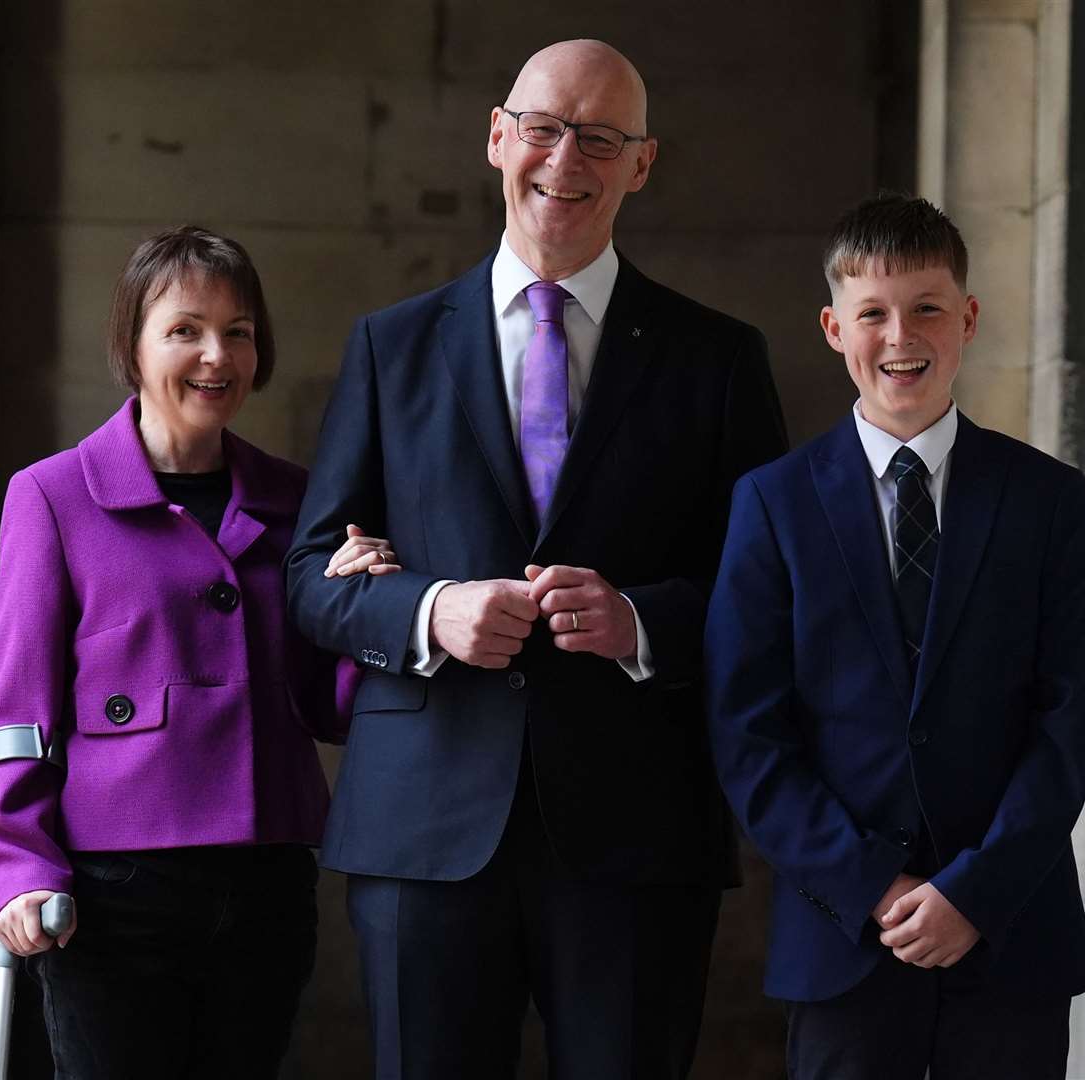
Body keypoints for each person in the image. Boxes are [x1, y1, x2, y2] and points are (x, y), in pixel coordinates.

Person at [285, 38, 788, 1079]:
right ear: (498, 138)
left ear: (640, 163)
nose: (567, 157)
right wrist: (431, 610)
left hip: (635, 828)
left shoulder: (716, 358)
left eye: (600, 137)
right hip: (423, 828)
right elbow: (308, 575)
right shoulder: (392, 345)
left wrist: (640, 621)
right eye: (546, 128)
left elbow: (771, 592)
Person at [704, 193, 1085, 1079]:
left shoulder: (1046, 499)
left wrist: (974, 890)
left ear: (966, 318)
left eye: (927, 307)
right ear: (831, 327)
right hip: (843, 934)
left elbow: (1069, 721)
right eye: (873, 314)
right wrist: (869, 887)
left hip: (1010, 932)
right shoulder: (770, 504)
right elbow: (747, 733)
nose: (900, 336)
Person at [0, 226, 364, 1079]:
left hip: (265, 884)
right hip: (109, 895)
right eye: (185, 329)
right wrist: (18, 866)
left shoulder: (299, 499)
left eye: (239, 331)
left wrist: (363, 610)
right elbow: (20, 711)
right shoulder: (52, 496)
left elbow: (324, 705)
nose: (215, 355)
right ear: (133, 346)